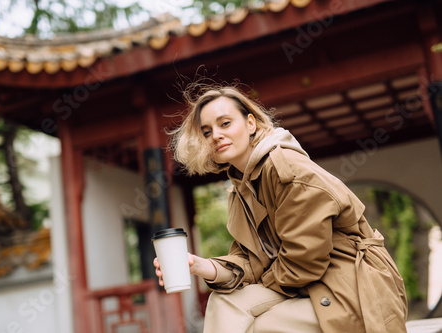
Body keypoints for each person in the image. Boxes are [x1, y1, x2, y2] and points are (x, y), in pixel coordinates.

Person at [153, 84, 408, 333]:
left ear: (250, 124)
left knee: (260, 326)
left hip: (355, 289)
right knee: (223, 300)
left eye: (225, 123)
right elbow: (252, 261)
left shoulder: (284, 166)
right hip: (307, 286)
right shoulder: (241, 188)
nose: (216, 135)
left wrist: (261, 280)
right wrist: (200, 266)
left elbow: (304, 259)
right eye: (206, 132)